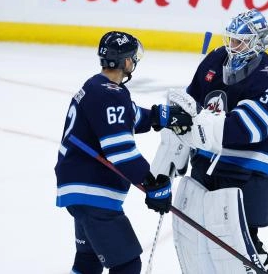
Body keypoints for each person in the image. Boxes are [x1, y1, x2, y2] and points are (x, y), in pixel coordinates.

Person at [54, 31, 192, 274]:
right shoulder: (110, 94)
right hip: (93, 191)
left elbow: (131, 116)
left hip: (79, 189)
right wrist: (152, 184)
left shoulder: (95, 86)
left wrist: (162, 116)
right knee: (127, 265)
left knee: (88, 261)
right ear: (126, 61)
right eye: (133, 58)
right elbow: (120, 151)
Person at [168, 9, 268, 273]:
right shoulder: (215, 59)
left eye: (240, 41)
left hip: (247, 170)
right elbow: (189, 106)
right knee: (199, 241)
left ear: (259, 41)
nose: (232, 46)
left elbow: (250, 128)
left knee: (238, 245)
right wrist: (173, 156)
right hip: (206, 162)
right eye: (231, 39)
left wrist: (201, 124)